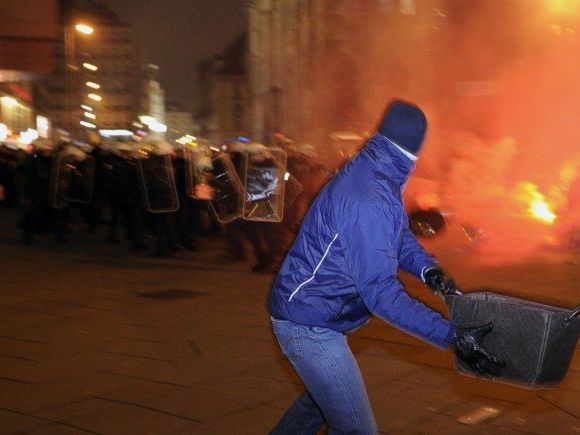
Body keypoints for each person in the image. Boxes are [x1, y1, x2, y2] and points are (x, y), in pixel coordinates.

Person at [267, 101, 504, 434]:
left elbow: (397, 233)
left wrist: (426, 269)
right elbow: (380, 293)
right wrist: (452, 336)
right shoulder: (369, 194)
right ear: (414, 150)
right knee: (357, 429)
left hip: (312, 313)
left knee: (320, 404)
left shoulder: (375, 171)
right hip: (309, 325)